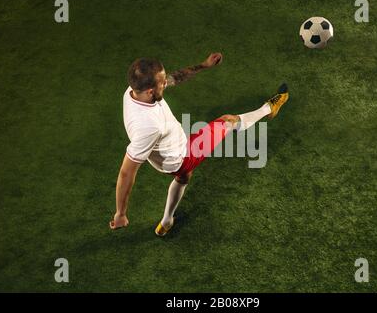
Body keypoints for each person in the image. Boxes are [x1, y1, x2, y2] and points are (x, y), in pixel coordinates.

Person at [110, 53, 289, 236]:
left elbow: (174, 78)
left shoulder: (134, 91)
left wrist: (204, 65)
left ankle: (166, 222)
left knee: (184, 177)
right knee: (227, 120)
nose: (166, 83)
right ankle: (269, 108)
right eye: (162, 84)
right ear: (150, 91)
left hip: (168, 151)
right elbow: (126, 173)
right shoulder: (148, 126)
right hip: (182, 156)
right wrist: (120, 214)